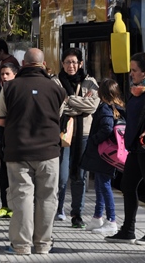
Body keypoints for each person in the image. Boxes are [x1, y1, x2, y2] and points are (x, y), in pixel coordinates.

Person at [0, 48, 66, 255]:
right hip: (49, 152)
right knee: (47, 199)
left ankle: (21, 246)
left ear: (23, 64)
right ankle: (43, 245)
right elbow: (59, 116)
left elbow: (0, 119)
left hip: (18, 151)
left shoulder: (9, 88)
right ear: (43, 65)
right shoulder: (56, 89)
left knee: (22, 197)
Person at [106, 53, 145, 244]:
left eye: (134, 71)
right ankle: (128, 229)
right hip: (135, 147)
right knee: (127, 185)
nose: (131, 74)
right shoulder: (137, 90)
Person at [51, 48, 99, 228]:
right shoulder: (55, 82)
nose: (71, 66)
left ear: (80, 63)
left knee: (80, 176)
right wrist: (80, 103)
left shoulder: (90, 82)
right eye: (67, 62)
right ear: (62, 64)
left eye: (74, 62)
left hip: (83, 134)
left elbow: (92, 106)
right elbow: (55, 108)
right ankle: (58, 209)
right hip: (62, 133)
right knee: (61, 176)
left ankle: (77, 214)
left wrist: (68, 99)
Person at [80, 79, 125, 236]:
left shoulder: (105, 109)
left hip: (104, 153)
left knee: (104, 185)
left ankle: (111, 220)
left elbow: (106, 128)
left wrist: (94, 140)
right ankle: (97, 217)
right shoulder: (117, 107)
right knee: (100, 184)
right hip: (108, 153)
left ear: (101, 94)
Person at [0, 62, 18, 218]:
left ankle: (15, 205)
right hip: (3, 138)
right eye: (2, 74)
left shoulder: (19, 91)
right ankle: (5, 205)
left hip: (17, 138)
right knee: (4, 173)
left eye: (7, 74)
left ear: (15, 74)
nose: (4, 77)